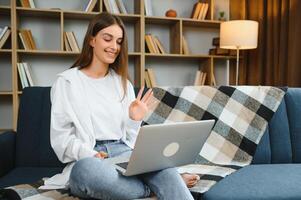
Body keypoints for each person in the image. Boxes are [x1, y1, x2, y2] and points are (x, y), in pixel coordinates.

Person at [46, 12, 199, 199]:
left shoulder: (122, 83)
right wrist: (90, 154)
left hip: (125, 153)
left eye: (119, 41)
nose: (114, 47)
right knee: (85, 170)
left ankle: (165, 181)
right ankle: (153, 189)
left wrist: (134, 120)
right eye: (107, 39)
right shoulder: (67, 82)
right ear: (92, 40)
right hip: (92, 159)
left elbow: (130, 140)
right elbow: (61, 139)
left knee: (163, 167)